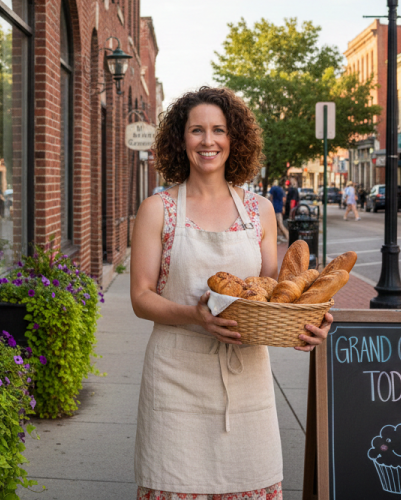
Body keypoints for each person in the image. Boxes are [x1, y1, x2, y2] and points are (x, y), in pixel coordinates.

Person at [130, 87, 332, 500]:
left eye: (219, 130)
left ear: (234, 138)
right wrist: (195, 316)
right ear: (180, 139)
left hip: (246, 378)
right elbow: (141, 297)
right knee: (174, 484)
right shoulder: (157, 210)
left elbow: (274, 294)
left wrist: (306, 323)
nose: (208, 141)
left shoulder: (260, 211)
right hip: (175, 376)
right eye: (196, 130)